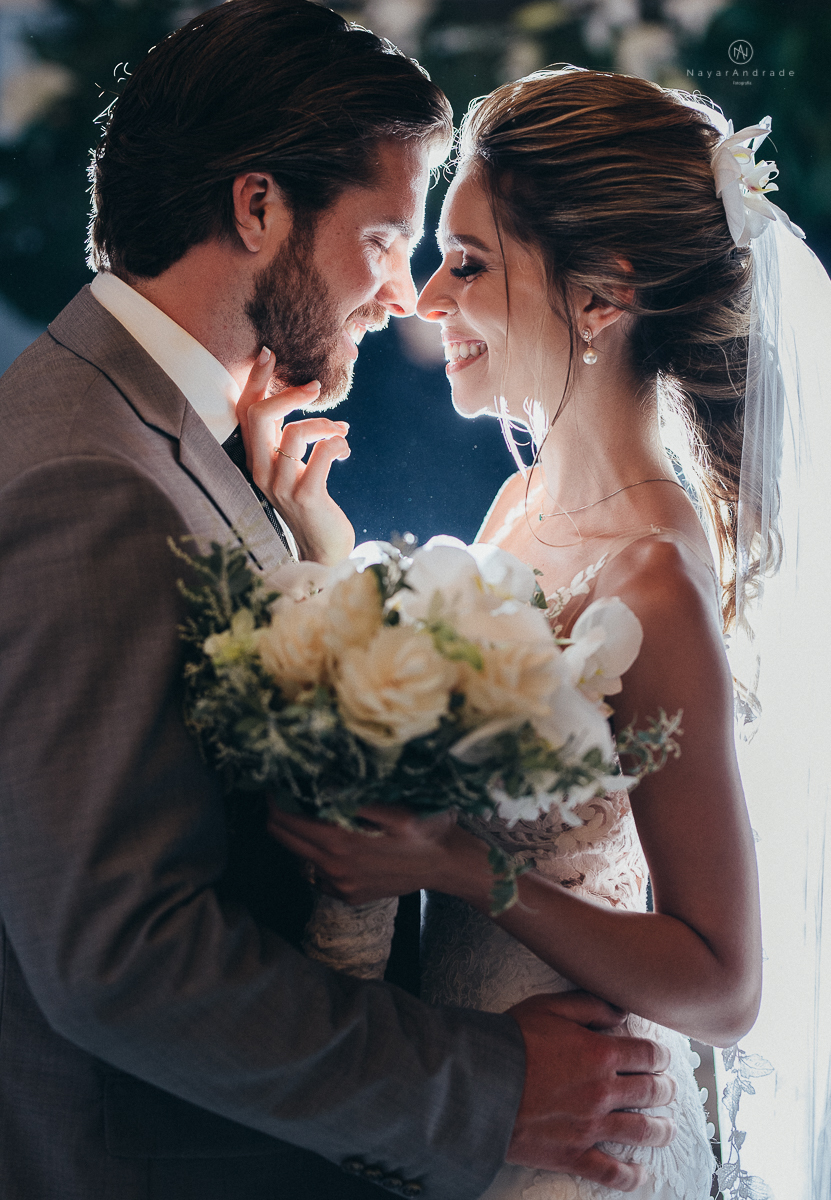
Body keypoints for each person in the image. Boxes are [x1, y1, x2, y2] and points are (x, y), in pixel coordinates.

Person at [0, 9, 677, 1200]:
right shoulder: (91, 479)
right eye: (385, 237)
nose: (403, 293)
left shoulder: (162, 439)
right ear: (258, 210)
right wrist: (490, 1087)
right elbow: (121, 958)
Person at [264, 68, 771, 1199]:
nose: (429, 298)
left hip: (576, 1142)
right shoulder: (521, 509)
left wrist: (459, 865)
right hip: (462, 1099)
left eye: (473, 262)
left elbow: (725, 985)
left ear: (601, 298)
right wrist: (320, 560)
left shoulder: (652, 582)